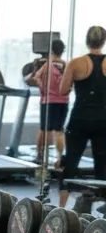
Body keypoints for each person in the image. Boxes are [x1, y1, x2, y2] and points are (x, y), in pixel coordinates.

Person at [58, 26, 106, 208]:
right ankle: (103, 211)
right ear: (103, 41)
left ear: (87, 40)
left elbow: (63, 90)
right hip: (103, 119)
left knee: (70, 161)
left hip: (80, 118)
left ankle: (61, 208)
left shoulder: (75, 63)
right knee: (102, 163)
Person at [26, 38, 68, 172]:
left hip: (48, 101)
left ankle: (40, 156)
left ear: (51, 50)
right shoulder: (65, 65)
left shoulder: (47, 65)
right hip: (63, 101)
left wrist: (39, 84)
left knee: (44, 129)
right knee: (59, 130)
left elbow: (35, 77)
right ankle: (60, 158)